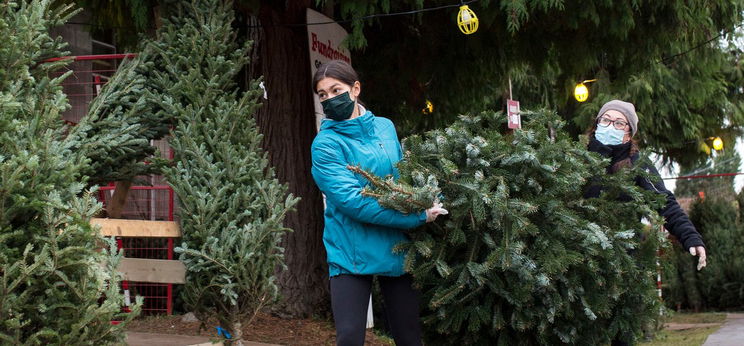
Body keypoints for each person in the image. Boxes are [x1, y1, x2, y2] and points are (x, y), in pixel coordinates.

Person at [310, 60, 447, 346]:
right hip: (351, 250)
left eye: (336, 90)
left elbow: (402, 178)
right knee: (349, 338)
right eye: (322, 94)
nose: (329, 99)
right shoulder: (325, 145)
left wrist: (431, 195)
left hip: (394, 245)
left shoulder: (385, 127)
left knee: (409, 335)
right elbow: (354, 202)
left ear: (355, 89)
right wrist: (416, 218)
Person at [585, 100, 707, 344]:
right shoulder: (577, 160)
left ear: (629, 132)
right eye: (605, 120)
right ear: (596, 124)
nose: (610, 125)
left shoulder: (638, 165)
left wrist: (691, 237)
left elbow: (666, 203)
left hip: (621, 265)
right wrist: (597, 154)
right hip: (579, 262)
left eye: (619, 122)